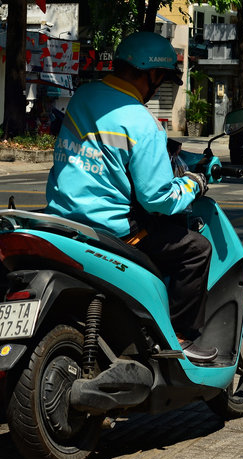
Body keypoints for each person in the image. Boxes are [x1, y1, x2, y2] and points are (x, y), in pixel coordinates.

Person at [45, 31, 216, 363]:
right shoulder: (143, 123)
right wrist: (194, 183)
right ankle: (180, 338)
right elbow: (158, 198)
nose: (158, 87)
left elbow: (104, 146)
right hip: (114, 232)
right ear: (151, 73)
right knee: (196, 250)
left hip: (63, 222)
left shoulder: (84, 96)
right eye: (161, 79)